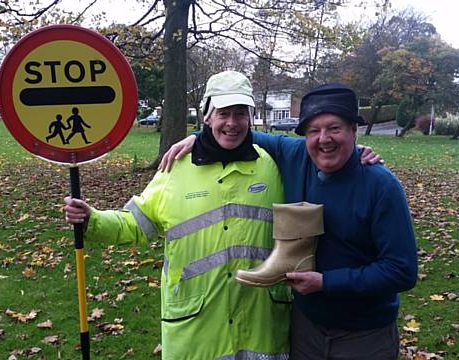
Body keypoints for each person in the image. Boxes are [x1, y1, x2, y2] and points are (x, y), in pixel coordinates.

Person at [160, 83, 418, 359]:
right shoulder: (296, 155)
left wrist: (325, 283)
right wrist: (198, 137)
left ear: (353, 131)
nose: (324, 139)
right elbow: (237, 132)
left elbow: (401, 271)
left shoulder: (380, 184)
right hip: (305, 329)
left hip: (364, 335)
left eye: (334, 128)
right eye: (314, 131)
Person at [64, 71, 293, 360]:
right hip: (195, 330)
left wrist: (356, 155)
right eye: (223, 113)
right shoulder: (176, 169)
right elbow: (135, 223)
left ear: (250, 117)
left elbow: (318, 159)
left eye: (240, 114)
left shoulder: (271, 168)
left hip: (262, 328)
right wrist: (92, 219)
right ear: (207, 116)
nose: (232, 123)